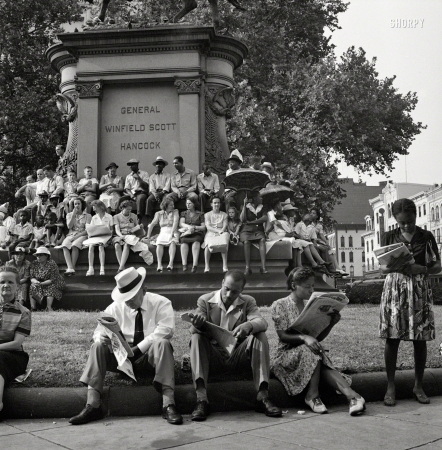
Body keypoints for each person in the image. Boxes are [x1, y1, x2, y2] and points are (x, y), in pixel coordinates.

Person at [69, 267, 183, 426]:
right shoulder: (115, 307)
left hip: (148, 358)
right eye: (124, 296)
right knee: (97, 347)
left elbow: (166, 330)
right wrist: (100, 337)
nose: (127, 300)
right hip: (121, 360)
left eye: (131, 296)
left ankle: (168, 403)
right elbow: (98, 331)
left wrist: (136, 350)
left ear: (144, 290)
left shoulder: (161, 303)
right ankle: (93, 405)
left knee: (163, 343)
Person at [188, 270, 282, 421]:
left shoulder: (248, 302)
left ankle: (263, 396)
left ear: (241, 291)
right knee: (197, 338)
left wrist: (248, 325)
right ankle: (201, 399)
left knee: (260, 336)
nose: (229, 294)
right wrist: (198, 324)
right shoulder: (205, 300)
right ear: (222, 283)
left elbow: (262, 322)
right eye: (227, 289)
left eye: (235, 291)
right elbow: (193, 329)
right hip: (214, 357)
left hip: (238, 355)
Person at [271, 267, 366, 415]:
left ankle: (353, 396)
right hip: (285, 355)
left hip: (309, 352)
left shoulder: (310, 305)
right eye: (307, 286)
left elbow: (318, 337)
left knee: (315, 349)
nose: (311, 290)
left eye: (313, 286)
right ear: (294, 285)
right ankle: (313, 396)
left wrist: (331, 323)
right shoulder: (280, 305)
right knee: (313, 350)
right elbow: (283, 336)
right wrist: (304, 337)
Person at [380, 198, 441, 407]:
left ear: (416, 216)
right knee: (392, 337)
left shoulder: (426, 236)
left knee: (420, 338)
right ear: (396, 221)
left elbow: (437, 265)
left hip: (418, 288)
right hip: (395, 289)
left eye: (410, 221)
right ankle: (390, 386)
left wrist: (421, 269)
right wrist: (393, 266)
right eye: (402, 223)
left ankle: (418, 385)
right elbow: (382, 268)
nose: (406, 225)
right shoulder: (389, 236)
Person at [0, 266, 31, 417]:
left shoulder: (23, 312)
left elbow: (16, 343)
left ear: (17, 286)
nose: (5, 285)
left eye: (10, 282)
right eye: (2, 282)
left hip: (13, 355)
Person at [266, 199, 322, 269]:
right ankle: (295, 264)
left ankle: (299, 264)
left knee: (299, 243)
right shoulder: (276, 216)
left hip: (283, 235)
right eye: (280, 205)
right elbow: (277, 226)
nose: (294, 212)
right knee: (295, 241)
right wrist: (289, 232)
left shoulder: (287, 219)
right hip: (276, 235)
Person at [56, 197, 92, 276]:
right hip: (71, 234)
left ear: (82, 205)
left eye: (79, 203)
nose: (77, 205)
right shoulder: (69, 215)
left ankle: (72, 268)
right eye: (75, 204)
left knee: (75, 245)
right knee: (65, 244)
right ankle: (70, 267)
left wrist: (76, 237)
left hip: (82, 234)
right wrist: (73, 215)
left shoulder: (88, 216)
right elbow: (69, 227)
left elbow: (87, 230)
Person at [309, 207, 348, 277]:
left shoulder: (319, 225)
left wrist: (327, 242)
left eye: (314, 213)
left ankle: (337, 268)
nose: (312, 214)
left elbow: (321, 235)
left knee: (330, 249)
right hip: (312, 241)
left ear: (317, 216)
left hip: (317, 240)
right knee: (325, 249)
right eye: (311, 213)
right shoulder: (308, 224)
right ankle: (330, 268)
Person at [112, 200, 148, 273]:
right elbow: (117, 229)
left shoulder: (134, 216)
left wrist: (139, 227)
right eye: (127, 209)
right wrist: (121, 236)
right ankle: (121, 266)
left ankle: (121, 268)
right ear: (122, 208)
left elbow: (136, 227)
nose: (129, 211)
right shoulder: (116, 216)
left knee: (127, 244)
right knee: (117, 245)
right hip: (120, 234)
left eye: (130, 209)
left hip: (130, 235)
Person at [146, 197, 179, 272]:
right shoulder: (158, 213)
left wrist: (172, 233)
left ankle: (170, 264)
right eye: (171, 205)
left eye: (173, 205)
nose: (173, 206)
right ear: (166, 205)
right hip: (163, 231)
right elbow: (152, 224)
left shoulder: (175, 211)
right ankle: (159, 264)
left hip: (173, 230)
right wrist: (148, 235)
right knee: (159, 243)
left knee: (173, 242)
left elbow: (175, 222)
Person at [29, 247, 65, 311]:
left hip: (53, 282)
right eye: (37, 255)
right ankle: (33, 307)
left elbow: (53, 279)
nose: (38, 257)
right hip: (39, 282)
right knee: (32, 286)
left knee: (51, 287)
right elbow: (32, 277)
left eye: (41, 255)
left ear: (46, 256)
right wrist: (35, 282)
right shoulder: (34, 263)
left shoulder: (52, 264)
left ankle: (48, 307)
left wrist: (41, 283)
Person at [83, 200, 113, 277]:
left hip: (106, 237)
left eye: (94, 206)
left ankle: (102, 268)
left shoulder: (109, 217)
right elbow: (91, 229)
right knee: (91, 246)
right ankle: (90, 268)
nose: (93, 209)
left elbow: (112, 230)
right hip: (96, 237)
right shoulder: (94, 217)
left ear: (100, 207)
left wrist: (109, 235)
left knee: (100, 246)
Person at [239, 193, 268, 274]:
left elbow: (264, 218)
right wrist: (244, 205)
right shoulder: (245, 206)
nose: (261, 198)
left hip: (258, 230)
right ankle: (247, 267)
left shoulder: (263, 207)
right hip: (246, 230)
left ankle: (263, 267)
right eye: (259, 196)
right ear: (254, 198)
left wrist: (252, 222)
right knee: (246, 242)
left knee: (262, 240)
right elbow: (242, 219)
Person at [202, 196, 229, 273]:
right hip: (211, 232)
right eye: (215, 203)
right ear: (211, 204)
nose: (216, 204)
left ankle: (225, 265)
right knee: (207, 245)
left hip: (222, 232)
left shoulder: (224, 215)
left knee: (224, 242)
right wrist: (217, 231)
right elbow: (208, 227)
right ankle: (207, 265)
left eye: (218, 203)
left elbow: (225, 225)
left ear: (220, 204)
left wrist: (221, 231)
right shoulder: (207, 215)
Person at [179, 198, 206, 272]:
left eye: (189, 203)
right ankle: (184, 264)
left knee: (196, 241)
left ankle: (195, 265)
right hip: (186, 232)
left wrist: (194, 227)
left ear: (194, 204)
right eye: (187, 203)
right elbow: (181, 224)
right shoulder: (183, 213)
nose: (187, 205)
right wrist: (189, 227)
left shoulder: (200, 214)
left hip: (197, 232)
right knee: (184, 241)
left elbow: (203, 227)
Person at [146, 156, 171, 222]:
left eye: (160, 164)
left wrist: (162, 193)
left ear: (163, 166)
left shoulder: (167, 175)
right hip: (155, 193)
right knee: (149, 200)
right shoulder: (152, 176)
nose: (158, 165)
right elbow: (151, 188)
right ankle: (149, 218)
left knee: (166, 200)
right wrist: (156, 195)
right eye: (157, 164)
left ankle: (165, 218)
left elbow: (167, 186)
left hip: (164, 192)